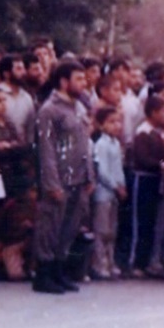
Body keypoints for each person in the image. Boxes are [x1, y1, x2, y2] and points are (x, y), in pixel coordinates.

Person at [31, 60, 93, 295]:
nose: (84, 83)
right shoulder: (49, 110)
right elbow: (46, 150)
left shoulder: (79, 107)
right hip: (59, 179)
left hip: (78, 178)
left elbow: (85, 144)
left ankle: (59, 271)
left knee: (69, 227)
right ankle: (43, 274)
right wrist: (51, 183)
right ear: (64, 82)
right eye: (79, 79)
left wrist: (89, 175)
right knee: (50, 226)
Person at [125, 94, 164, 278]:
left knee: (153, 222)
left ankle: (148, 262)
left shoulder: (159, 133)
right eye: (163, 111)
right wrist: (161, 165)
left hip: (156, 180)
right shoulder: (143, 133)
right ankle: (135, 262)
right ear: (153, 112)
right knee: (141, 221)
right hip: (143, 179)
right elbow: (143, 158)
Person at [90, 106, 126, 280]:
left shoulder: (116, 144)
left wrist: (122, 184)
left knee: (112, 230)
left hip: (114, 194)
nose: (116, 125)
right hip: (103, 193)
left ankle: (110, 261)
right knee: (101, 230)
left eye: (118, 122)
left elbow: (118, 168)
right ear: (101, 125)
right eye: (111, 122)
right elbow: (102, 171)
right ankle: (99, 263)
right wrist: (115, 186)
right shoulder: (101, 145)